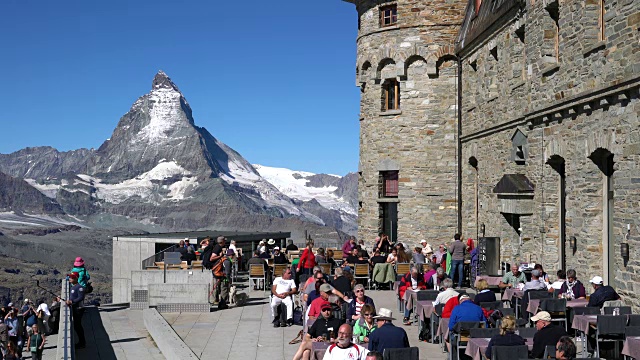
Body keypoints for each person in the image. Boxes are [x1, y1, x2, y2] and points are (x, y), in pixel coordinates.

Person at [66, 271, 86, 348]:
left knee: (78, 326)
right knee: (76, 326)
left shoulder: (80, 288)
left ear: (76, 278)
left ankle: (82, 342)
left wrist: (72, 301)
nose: (70, 278)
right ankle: (81, 342)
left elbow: (81, 297)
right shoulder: (73, 287)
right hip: (75, 308)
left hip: (78, 309)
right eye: (70, 277)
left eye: (71, 277)